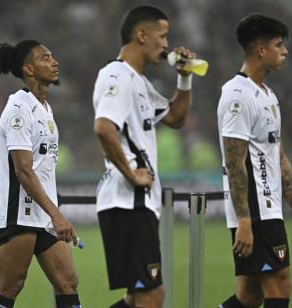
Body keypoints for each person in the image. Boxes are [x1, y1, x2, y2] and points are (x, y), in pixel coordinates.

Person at [93, 5, 195, 308]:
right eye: (162, 36)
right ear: (141, 35)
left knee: (138, 297)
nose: (167, 44)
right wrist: (131, 173)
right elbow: (103, 128)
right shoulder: (117, 75)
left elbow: (175, 118)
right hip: (128, 201)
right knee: (151, 295)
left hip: (136, 203)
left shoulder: (139, 83)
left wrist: (185, 79)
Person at [217, 14, 292, 308]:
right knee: (279, 286)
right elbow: (234, 163)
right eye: (278, 44)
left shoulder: (268, 95)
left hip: (269, 207)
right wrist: (244, 221)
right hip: (255, 210)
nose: (285, 50)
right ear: (261, 50)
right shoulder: (237, 95)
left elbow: (279, 156)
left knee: (250, 295)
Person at [0, 40, 81, 308]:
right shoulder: (18, 109)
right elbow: (23, 171)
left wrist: (53, 211)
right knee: (11, 285)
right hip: (21, 211)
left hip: (45, 211)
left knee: (68, 281)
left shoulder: (45, 108)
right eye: (45, 58)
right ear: (28, 69)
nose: (54, 62)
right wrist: (57, 214)